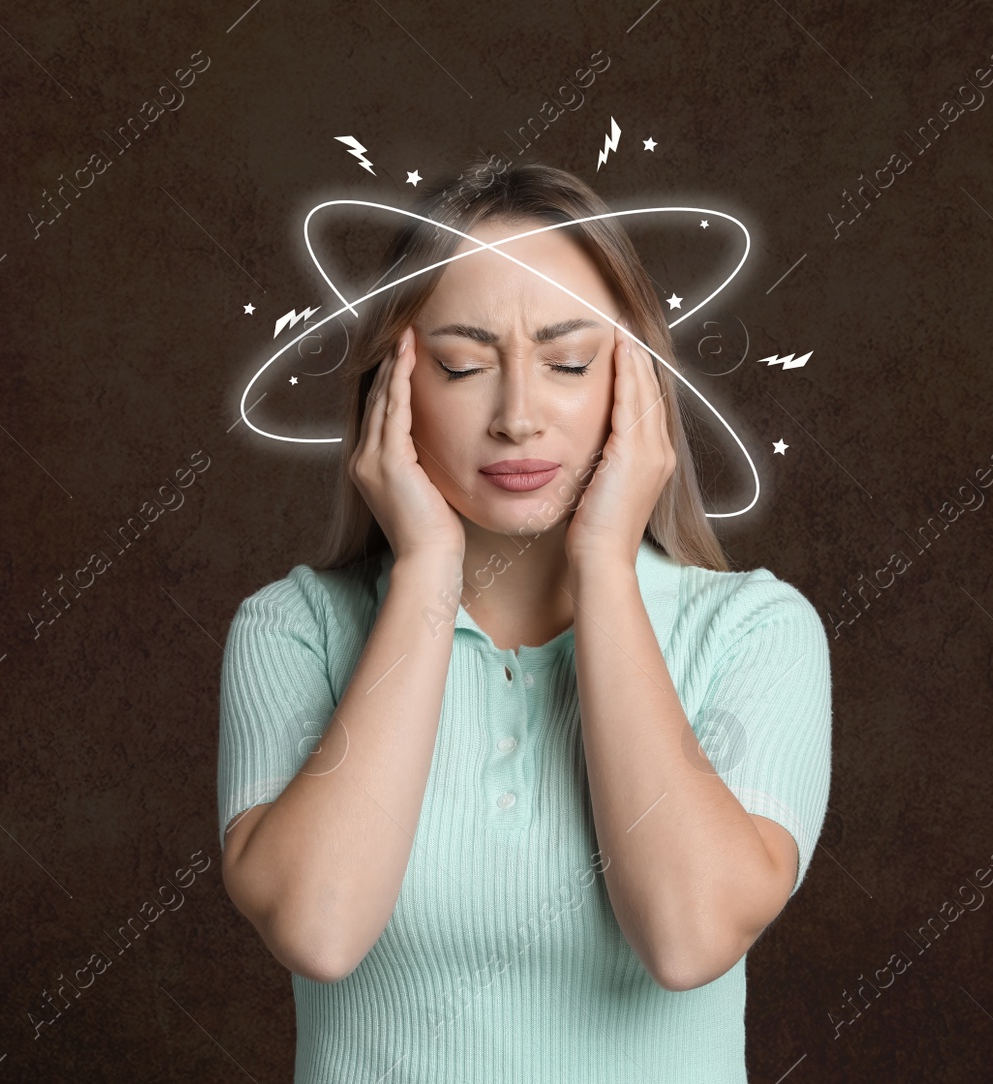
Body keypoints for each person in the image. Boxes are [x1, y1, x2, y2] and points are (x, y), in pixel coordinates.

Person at [217, 158, 833, 1082]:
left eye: (569, 362)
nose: (516, 417)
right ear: (396, 384)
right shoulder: (292, 631)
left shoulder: (754, 633)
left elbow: (689, 938)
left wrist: (603, 568)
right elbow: (320, 928)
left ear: (637, 382)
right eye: (462, 365)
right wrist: (427, 572)